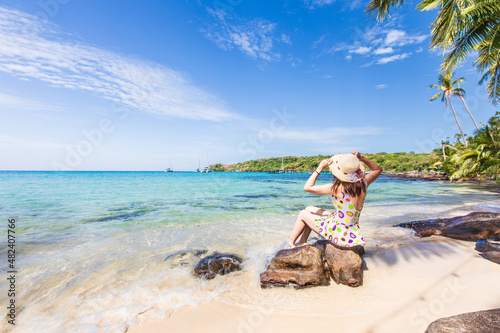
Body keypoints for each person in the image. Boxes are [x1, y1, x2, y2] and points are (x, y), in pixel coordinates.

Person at [288, 151, 382, 248]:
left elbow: (307, 187)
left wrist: (319, 168)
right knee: (309, 208)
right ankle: (302, 241)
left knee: (303, 213)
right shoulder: (364, 183)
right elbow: (377, 169)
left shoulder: (338, 188)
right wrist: (361, 157)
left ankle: (291, 243)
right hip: (350, 231)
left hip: (339, 233)